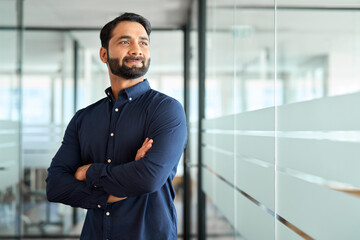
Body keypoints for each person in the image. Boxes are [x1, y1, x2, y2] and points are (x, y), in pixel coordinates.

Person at [46, 12, 187, 240]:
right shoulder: (84, 118)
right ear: (104, 54)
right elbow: (55, 186)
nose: (136, 49)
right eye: (125, 41)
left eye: (143, 42)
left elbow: (148, 178)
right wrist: (111, 194)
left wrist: (88, 171)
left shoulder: (166, 109)